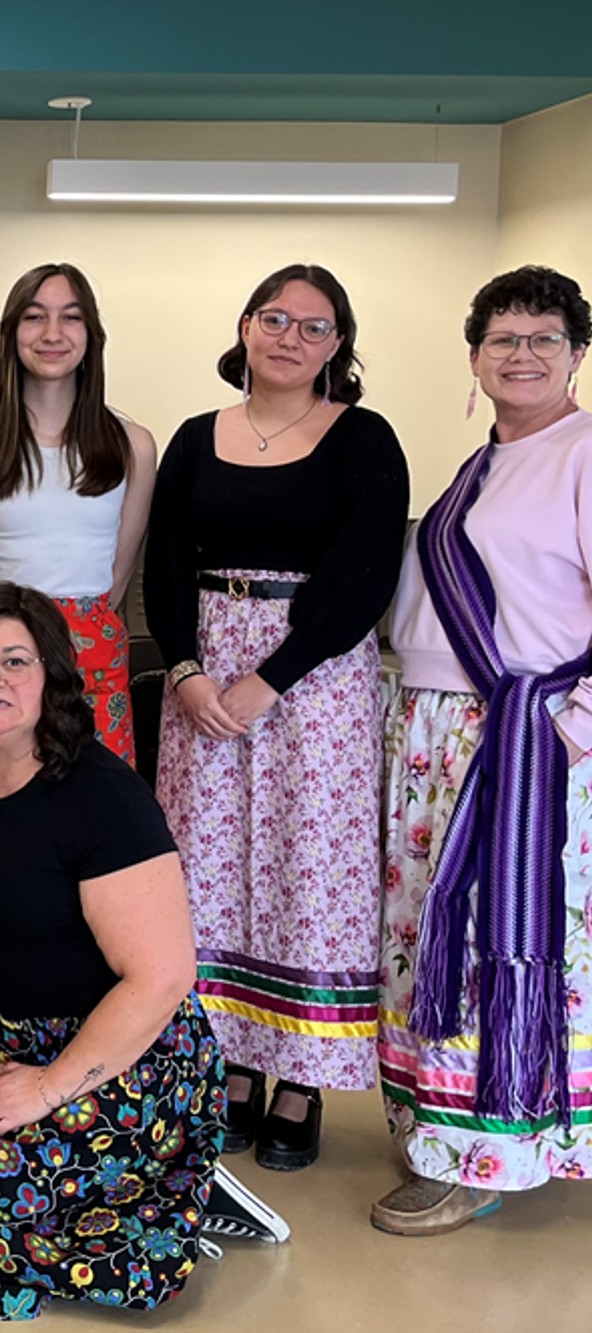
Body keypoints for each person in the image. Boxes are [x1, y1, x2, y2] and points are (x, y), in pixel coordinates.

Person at [0, 584, 278, 1321]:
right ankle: (158, 1186)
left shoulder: (101, 798)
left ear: (52, 675)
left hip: (124, 1049)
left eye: (15, 660)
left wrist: (45, 1087)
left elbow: (160, 977)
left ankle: (179, 1181)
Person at [143, 264, 408, 1171]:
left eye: (315, 325)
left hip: (316, 677)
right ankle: (230, 1067)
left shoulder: (364, 438)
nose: (291, 337)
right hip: (204, 674)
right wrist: (183, 670)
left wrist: (273, 676)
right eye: (275, 318)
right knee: (205, 867)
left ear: (340, 344)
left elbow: (367, 573)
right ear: (246, 327)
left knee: (309, 869)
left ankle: (297, 1081)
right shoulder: (193, 436)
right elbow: (167, 565)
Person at [375, 265, 592, 1235]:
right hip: (436, 738)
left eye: (543, 338)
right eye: (502, 338)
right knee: (427, 939)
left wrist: (566, 725)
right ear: (472, 356)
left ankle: (481, 1150)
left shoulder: (582, 451)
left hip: (518, 746)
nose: (520, 354)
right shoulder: (481, 462)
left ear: (575, 354)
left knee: (480, 947)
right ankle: (434, 1124)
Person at [0, 263, 158, 764]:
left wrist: (74, 630)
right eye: (35, 317)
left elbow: (118, 573)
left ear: (92, 335)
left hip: (95, 656)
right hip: (4, 656)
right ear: (12, 333)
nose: (52, 334)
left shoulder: (133, 447)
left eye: (71, 318)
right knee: (10, 804)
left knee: (99, 810)